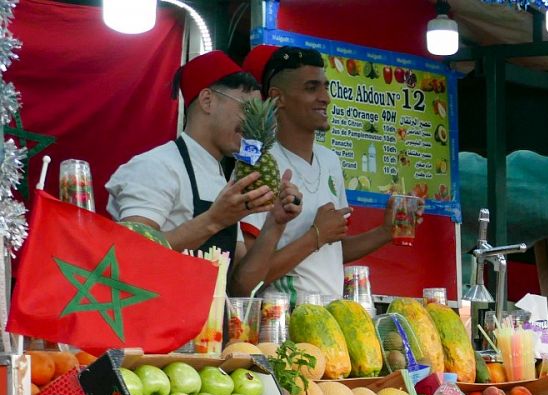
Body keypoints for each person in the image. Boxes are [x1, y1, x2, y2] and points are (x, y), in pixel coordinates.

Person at [107, 51, 301, 297]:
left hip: (212, 331)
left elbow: (240, 285)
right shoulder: (156, 165)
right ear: (208, 100)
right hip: (158, 328)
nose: (251, 123)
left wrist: (275, 223)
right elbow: (130, 253)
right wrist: (214, 220)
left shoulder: (224, 178)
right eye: (247, 108)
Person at [238, 45, 397, 301]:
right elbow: (246, 279)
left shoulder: (330, 159)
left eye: (326, 87)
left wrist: (386, 232)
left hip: (330, 319)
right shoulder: (258, 163)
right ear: (278, 98)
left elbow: (329, 253)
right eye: (312, 88)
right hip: (282, 322)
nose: (325, 97)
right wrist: (316, 236)